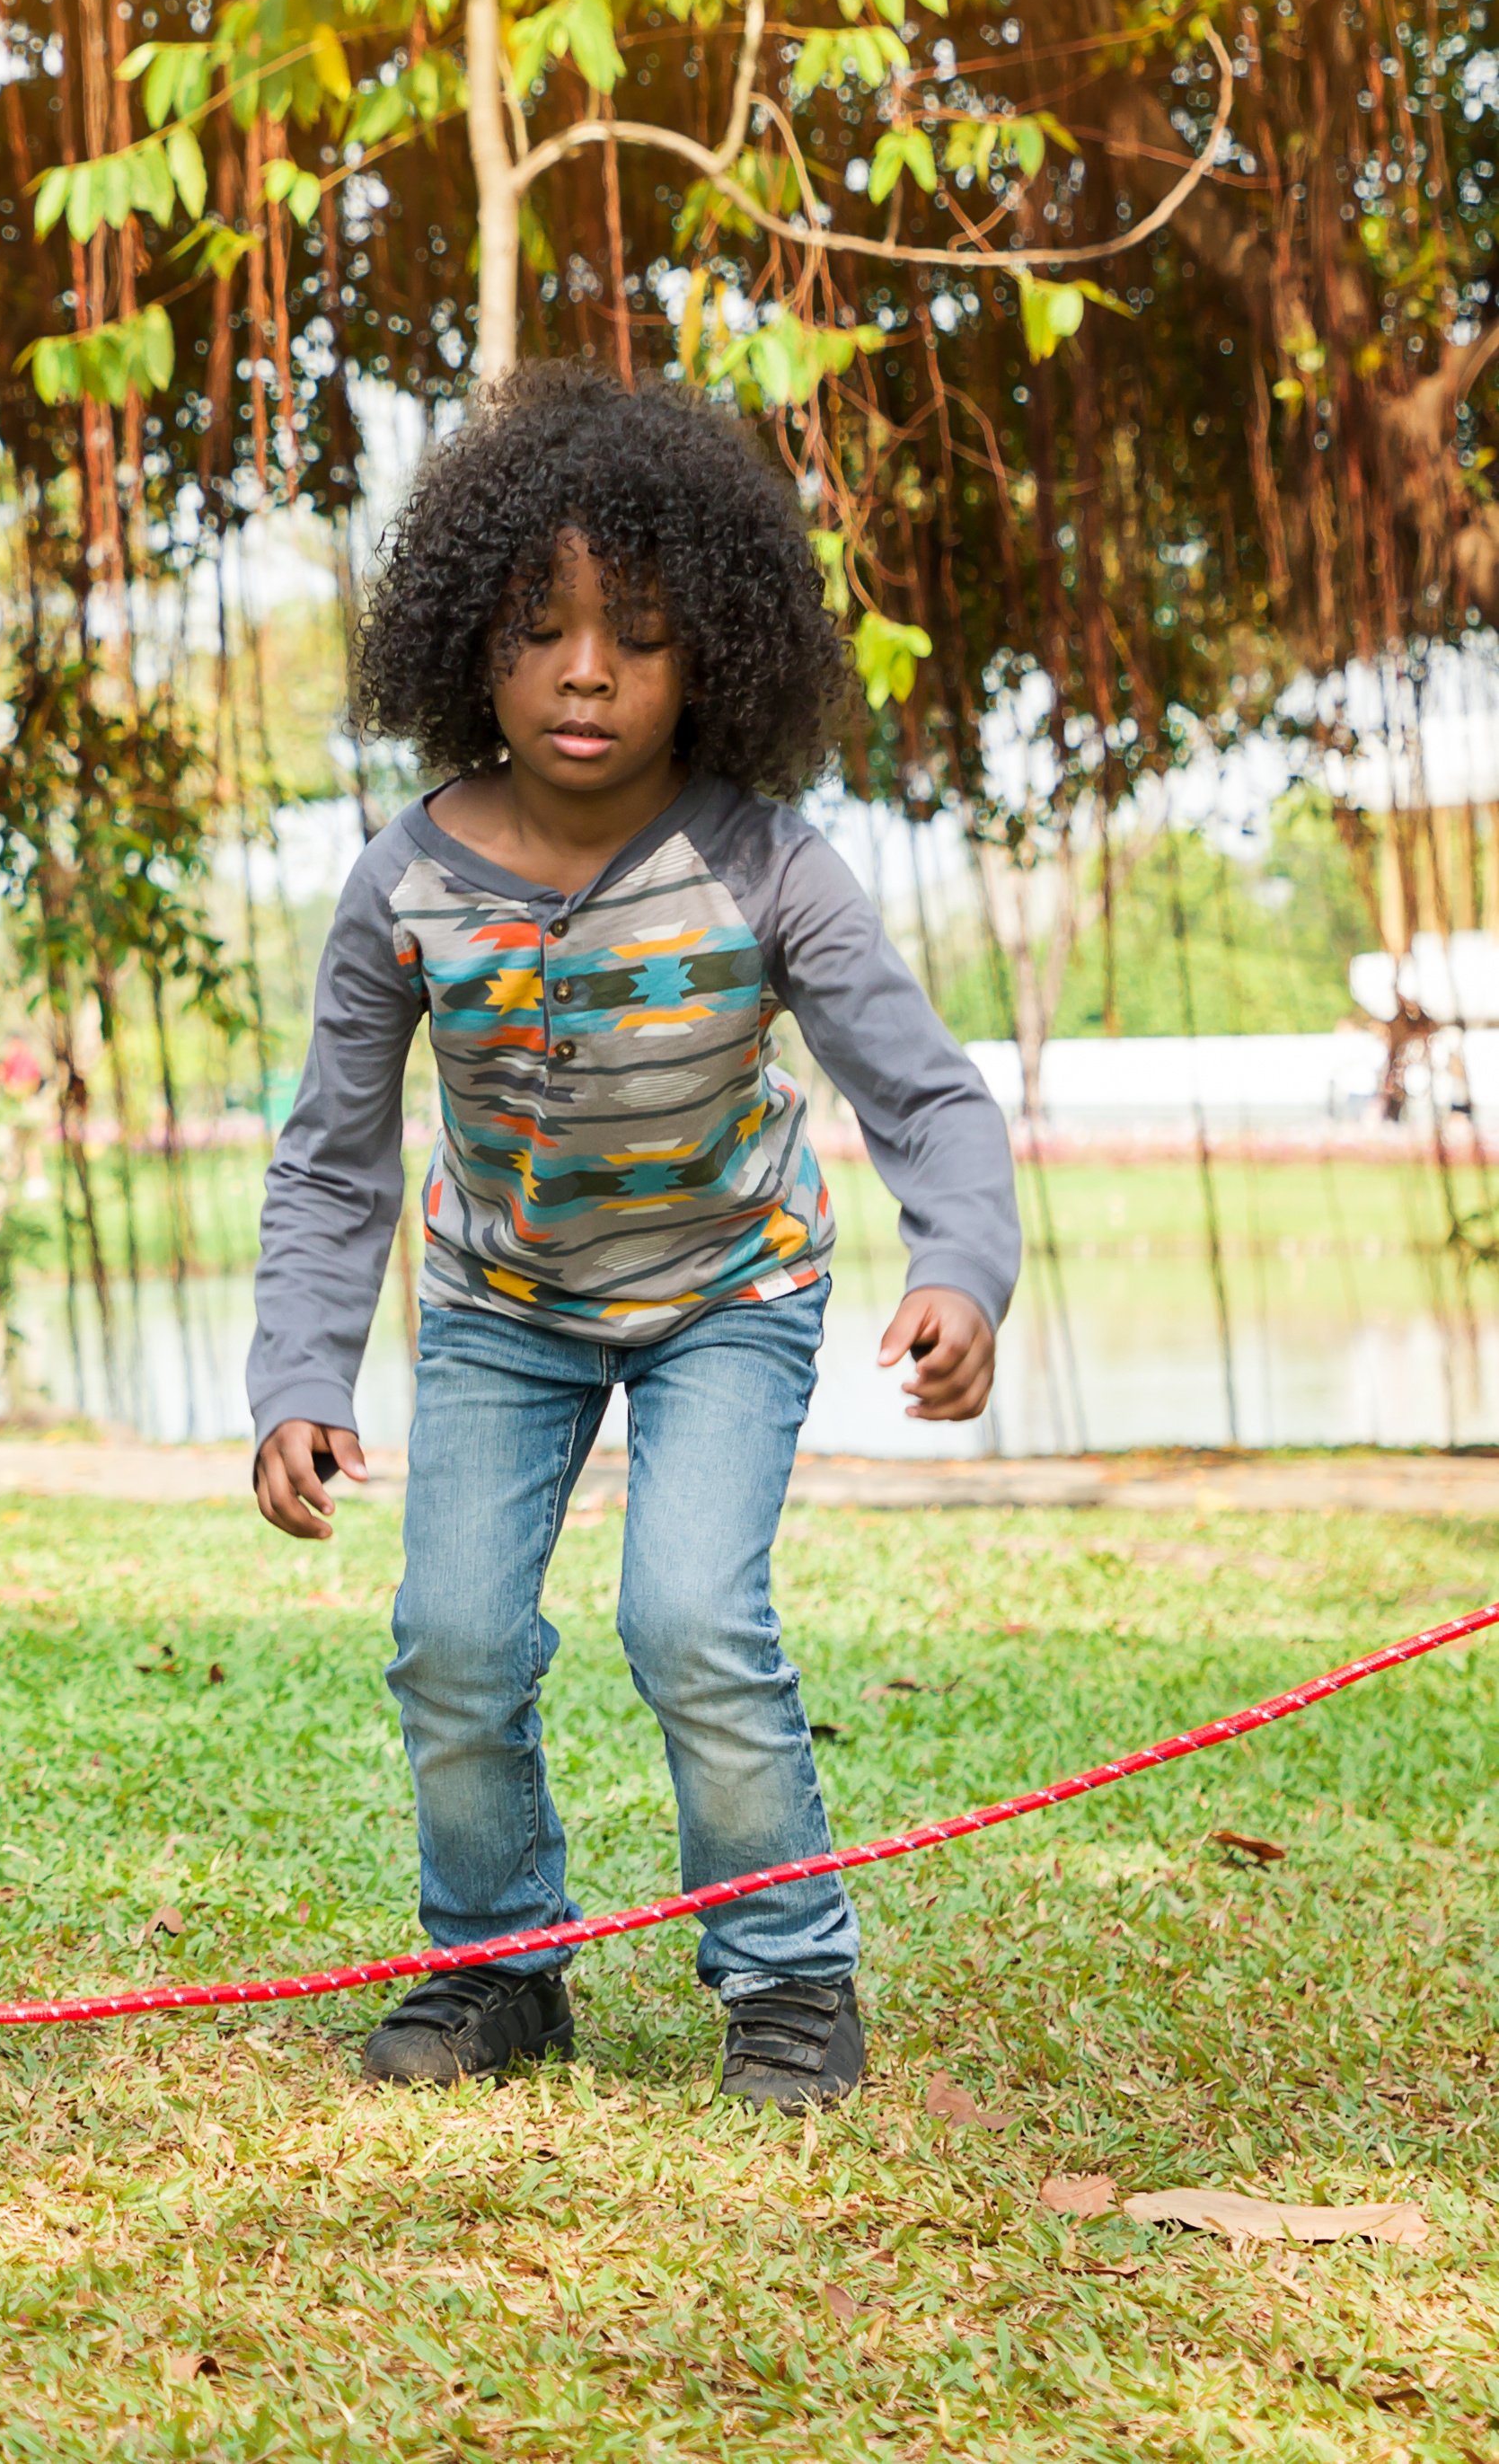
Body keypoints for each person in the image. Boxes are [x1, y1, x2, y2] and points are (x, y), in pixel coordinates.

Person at [249, 362, 1017, 2112]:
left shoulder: (765, 869)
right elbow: (328, 1160)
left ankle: (786, 1976)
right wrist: (297, 1370)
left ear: (716, 653)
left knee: (685, 1614)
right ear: (464, 644)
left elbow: (926, 1102)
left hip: (726, 1297)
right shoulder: (402, 883)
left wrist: (957, 1267)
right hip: (499, 1305)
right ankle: (497, 1967)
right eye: (535, 629)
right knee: (446, 1633)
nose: (582, 670)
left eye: (637, 634)